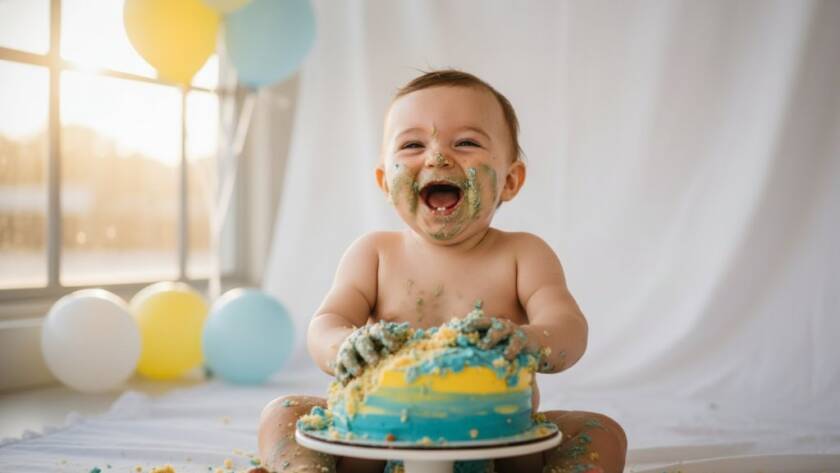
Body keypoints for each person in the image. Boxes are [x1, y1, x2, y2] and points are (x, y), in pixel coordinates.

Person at [254, 70, 627, 473]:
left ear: (510, 180)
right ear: (384, 180)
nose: (437, 156)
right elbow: (325, 323)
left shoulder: (523, 254)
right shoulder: (374, 253)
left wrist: (528, 341)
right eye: (413, 144)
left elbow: (569, 327)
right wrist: (346, 346)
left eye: (466, 142)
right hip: (375, 443)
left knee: (601, 431)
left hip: (496, 447)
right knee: (283, 412)